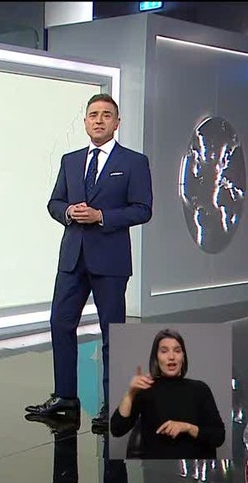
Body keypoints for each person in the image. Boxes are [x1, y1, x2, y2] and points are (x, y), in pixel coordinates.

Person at [25, 93, 153, 432]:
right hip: (73, 258)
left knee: (113, 333)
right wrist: (68, 211)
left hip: (110, 260)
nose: (99, 120)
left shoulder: (134, 162)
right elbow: (54, 203)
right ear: (85, 122)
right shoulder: (70, 161)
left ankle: (116, 405)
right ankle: (65, 398)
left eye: (106, 115)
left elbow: (143, 209)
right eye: (93, 114)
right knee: (60, 323)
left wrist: (101, 216)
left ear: (117, 122)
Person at [109, 329, 226, 459]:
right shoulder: (146, 389)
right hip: (158, 468)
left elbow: (219, 436)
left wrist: (187, 427)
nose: (171, 357)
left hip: (196, 468)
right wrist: (130, 394)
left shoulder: (200, 389)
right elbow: (117, 429)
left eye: (177, 351)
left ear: (183, 356)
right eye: (164, 351)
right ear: (156, 357)